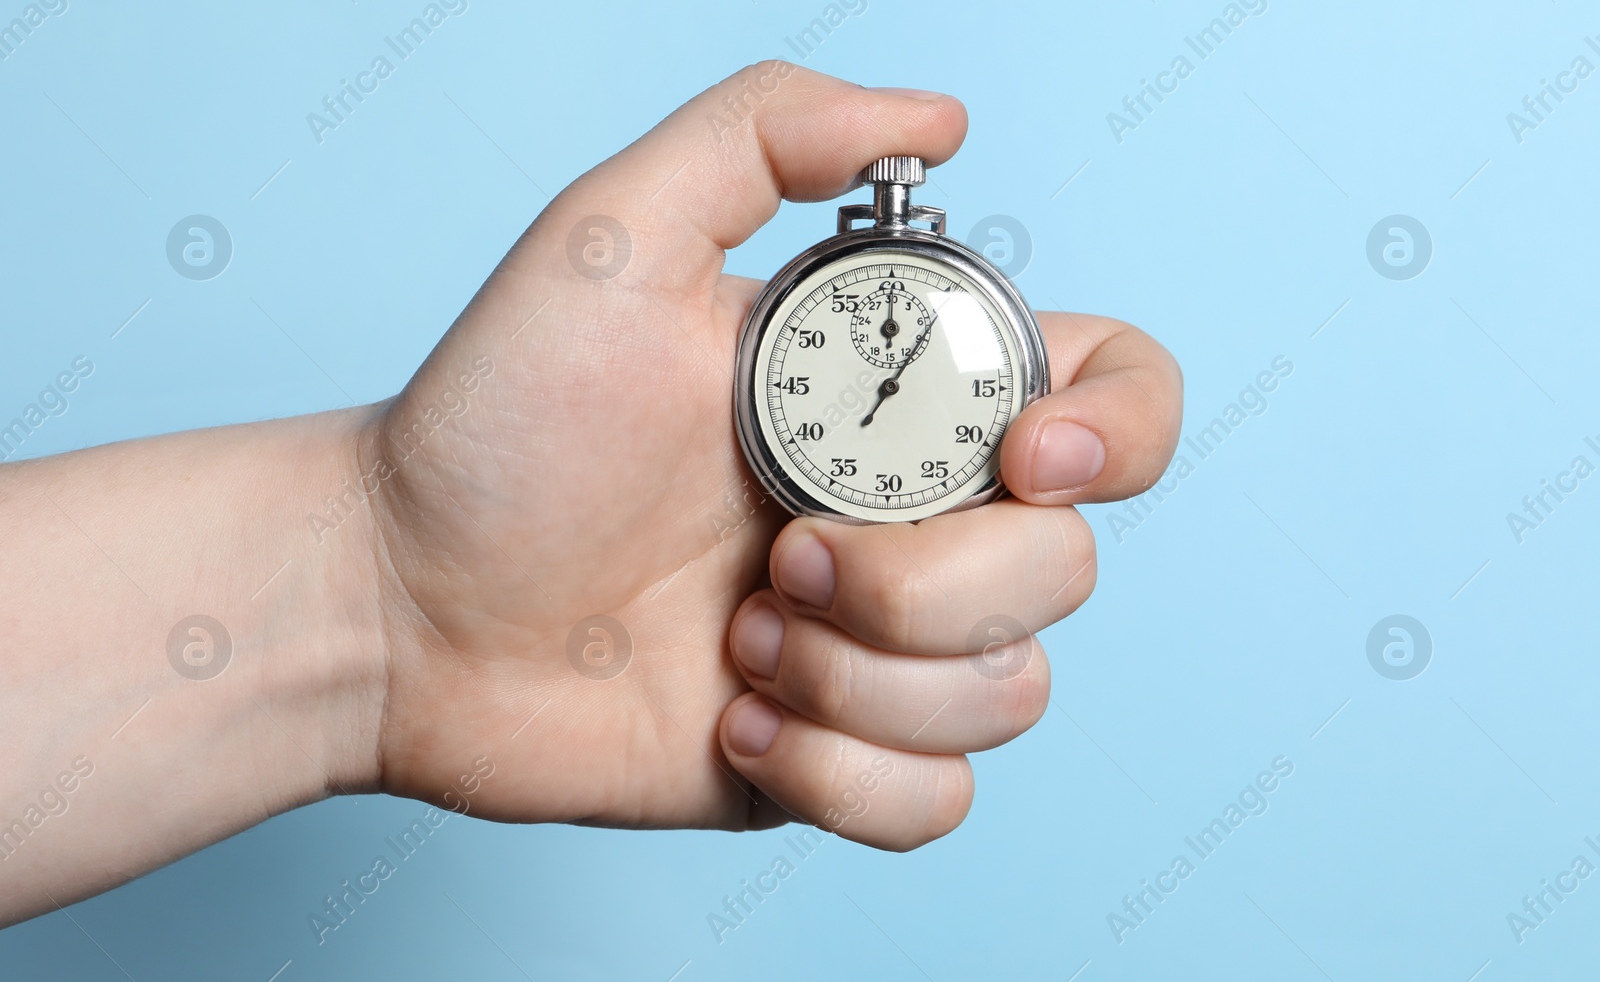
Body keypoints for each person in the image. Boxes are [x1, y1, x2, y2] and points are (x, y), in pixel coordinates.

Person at [0, 63, 1181, 927]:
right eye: (841, 363)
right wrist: (381, 581)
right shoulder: (814, 323)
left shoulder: (974, 348)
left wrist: (375, 592)